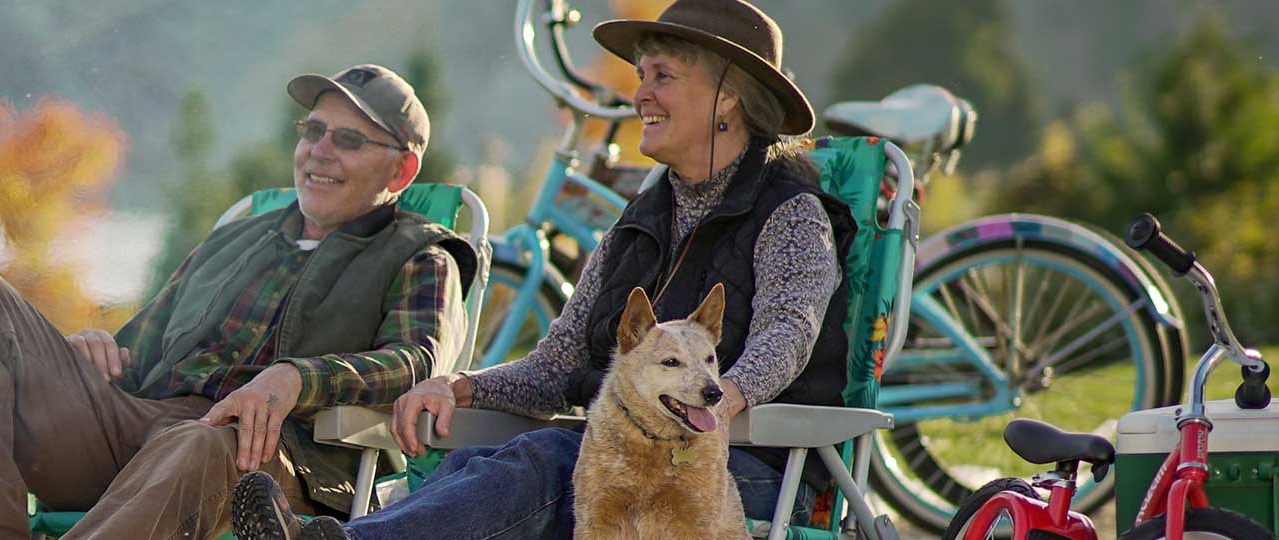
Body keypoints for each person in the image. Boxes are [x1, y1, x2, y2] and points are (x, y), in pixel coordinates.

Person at [229, 1, 859, 538]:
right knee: (488, 457)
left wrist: (721, 405)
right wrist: (459, 388)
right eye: (641, 75)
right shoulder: (639, 221)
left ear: (727, 95)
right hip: (622, 451)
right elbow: (556, 366)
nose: (639, 94)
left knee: (552, 458)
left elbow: (788, 334)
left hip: (748, 469)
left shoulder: (790, 213)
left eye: (661, 76)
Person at [0, 64, 479, 539]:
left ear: (402, 169)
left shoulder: (420, 254)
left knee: (202, 441)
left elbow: (417, 364)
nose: (319, 151)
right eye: (312, 130)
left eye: (349, 140)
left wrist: (296, 378)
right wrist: (91, 353)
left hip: (266, 455)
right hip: (133, 429)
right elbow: (137, 347)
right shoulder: (236, 238)